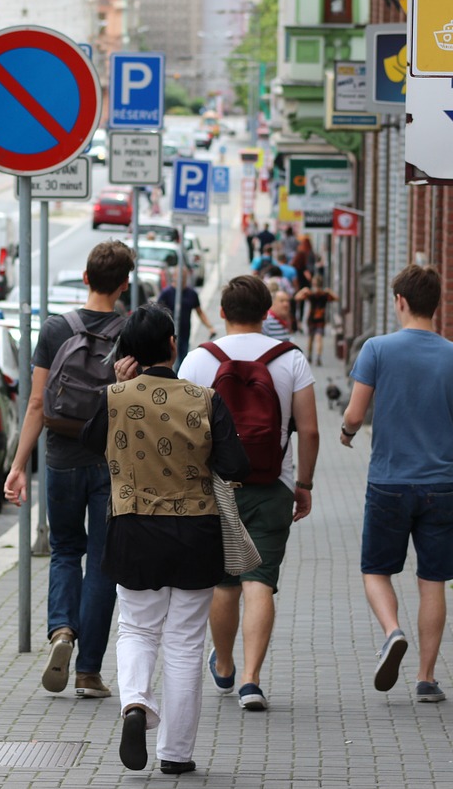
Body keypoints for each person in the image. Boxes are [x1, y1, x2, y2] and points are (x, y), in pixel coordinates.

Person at [81, 305, 250, 775]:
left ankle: (135, 704)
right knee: (184, 643)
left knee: (137, 628)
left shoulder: (115, 397)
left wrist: (113, 385)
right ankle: (175, 754)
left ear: (127, 354)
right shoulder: (204, 398)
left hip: (132, 529)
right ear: (174, 344)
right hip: (195, 533)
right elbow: (237, 467)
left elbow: (91, 443)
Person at [339, 264, 453, 703]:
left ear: (400, 302)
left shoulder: (377, 350)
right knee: (432, 581)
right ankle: (426, 678)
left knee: (376, 570)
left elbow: (353, 414)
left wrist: (346, 436)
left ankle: (392, 631)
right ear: (435, 305)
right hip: (442, 485)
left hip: (388, 482)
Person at [178, 275, 319, 712]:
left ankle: (223, 665)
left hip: (216, 487)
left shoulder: (198, 361)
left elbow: (183, 433)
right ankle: (252, 682)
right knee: (260, 581)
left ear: (222, 313)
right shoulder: (290, 359)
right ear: (266, 315)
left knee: (225, 583)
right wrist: (304, 484)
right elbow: (310, 429)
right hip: (273, 484)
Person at [4, 240, 136, 700]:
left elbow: (37, 402)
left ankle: (61, 630)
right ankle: (88, 672)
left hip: (60, 458)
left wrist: (20, 466)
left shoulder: (57, 329)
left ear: (84, 278)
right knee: (103, 564)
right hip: (111, 462)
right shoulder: (133, 331)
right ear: (124, 284)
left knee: (64, 551)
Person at [156, 266, 216, 366]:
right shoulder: (166, 293)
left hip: (184, 333)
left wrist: (210, 327)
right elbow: (157, 313)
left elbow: (200, 312)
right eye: (180, 276)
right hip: (168, 334)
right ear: (174, 276)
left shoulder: (192, 294)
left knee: (182, 360)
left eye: (184, 276)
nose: (182, 279)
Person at [296, 279, 339, 365]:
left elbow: (297, 297)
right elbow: (337, 298)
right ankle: (317, 357)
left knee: (311, 338)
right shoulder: (324, 294)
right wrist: (329, 291)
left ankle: (311, 356)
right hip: (320, 319)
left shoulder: (311, 294)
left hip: (312, 319)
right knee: (317, 338)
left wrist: (303, 290)